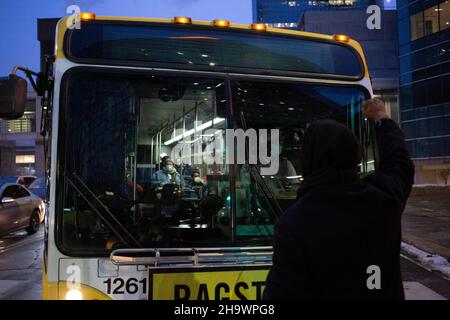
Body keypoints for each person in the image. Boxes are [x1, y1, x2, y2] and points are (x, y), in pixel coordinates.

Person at [264, 98, 415, 300]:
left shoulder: (293, 225)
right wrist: (382, 118)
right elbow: (399, 161)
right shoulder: (385, 199)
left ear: (307, 160)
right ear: (356, 154)